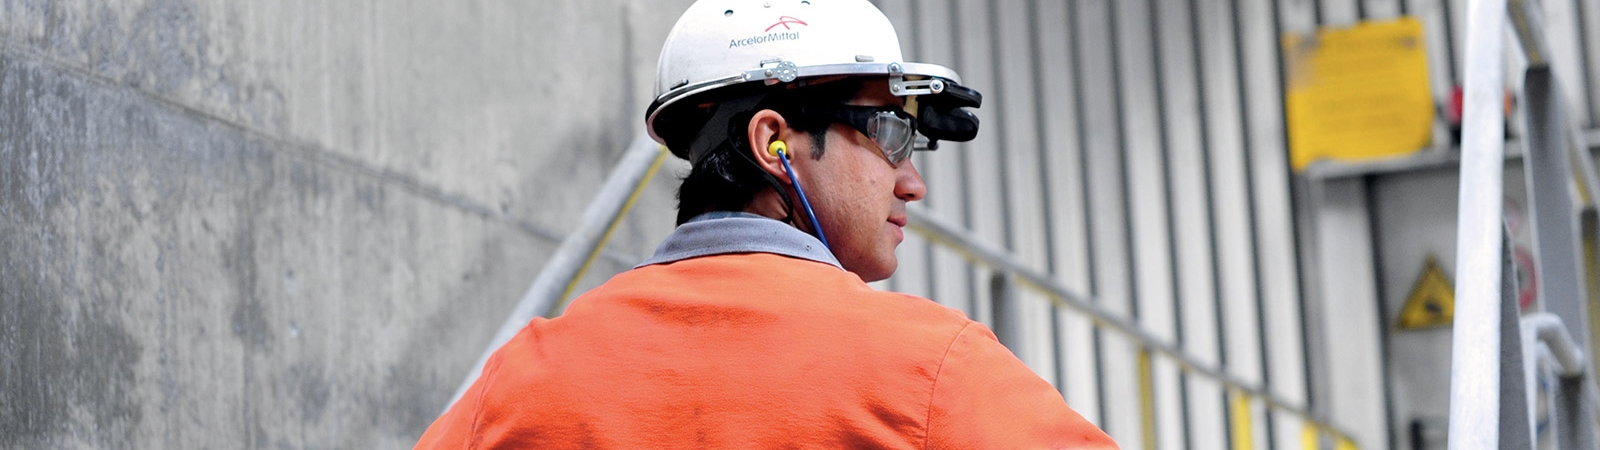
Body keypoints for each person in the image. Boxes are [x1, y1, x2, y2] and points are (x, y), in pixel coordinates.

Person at [416, 0, 1116, 448]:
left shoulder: (520, 378)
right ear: (773, 141)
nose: (913, 181)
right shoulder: (935, 370)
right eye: (889, 136)